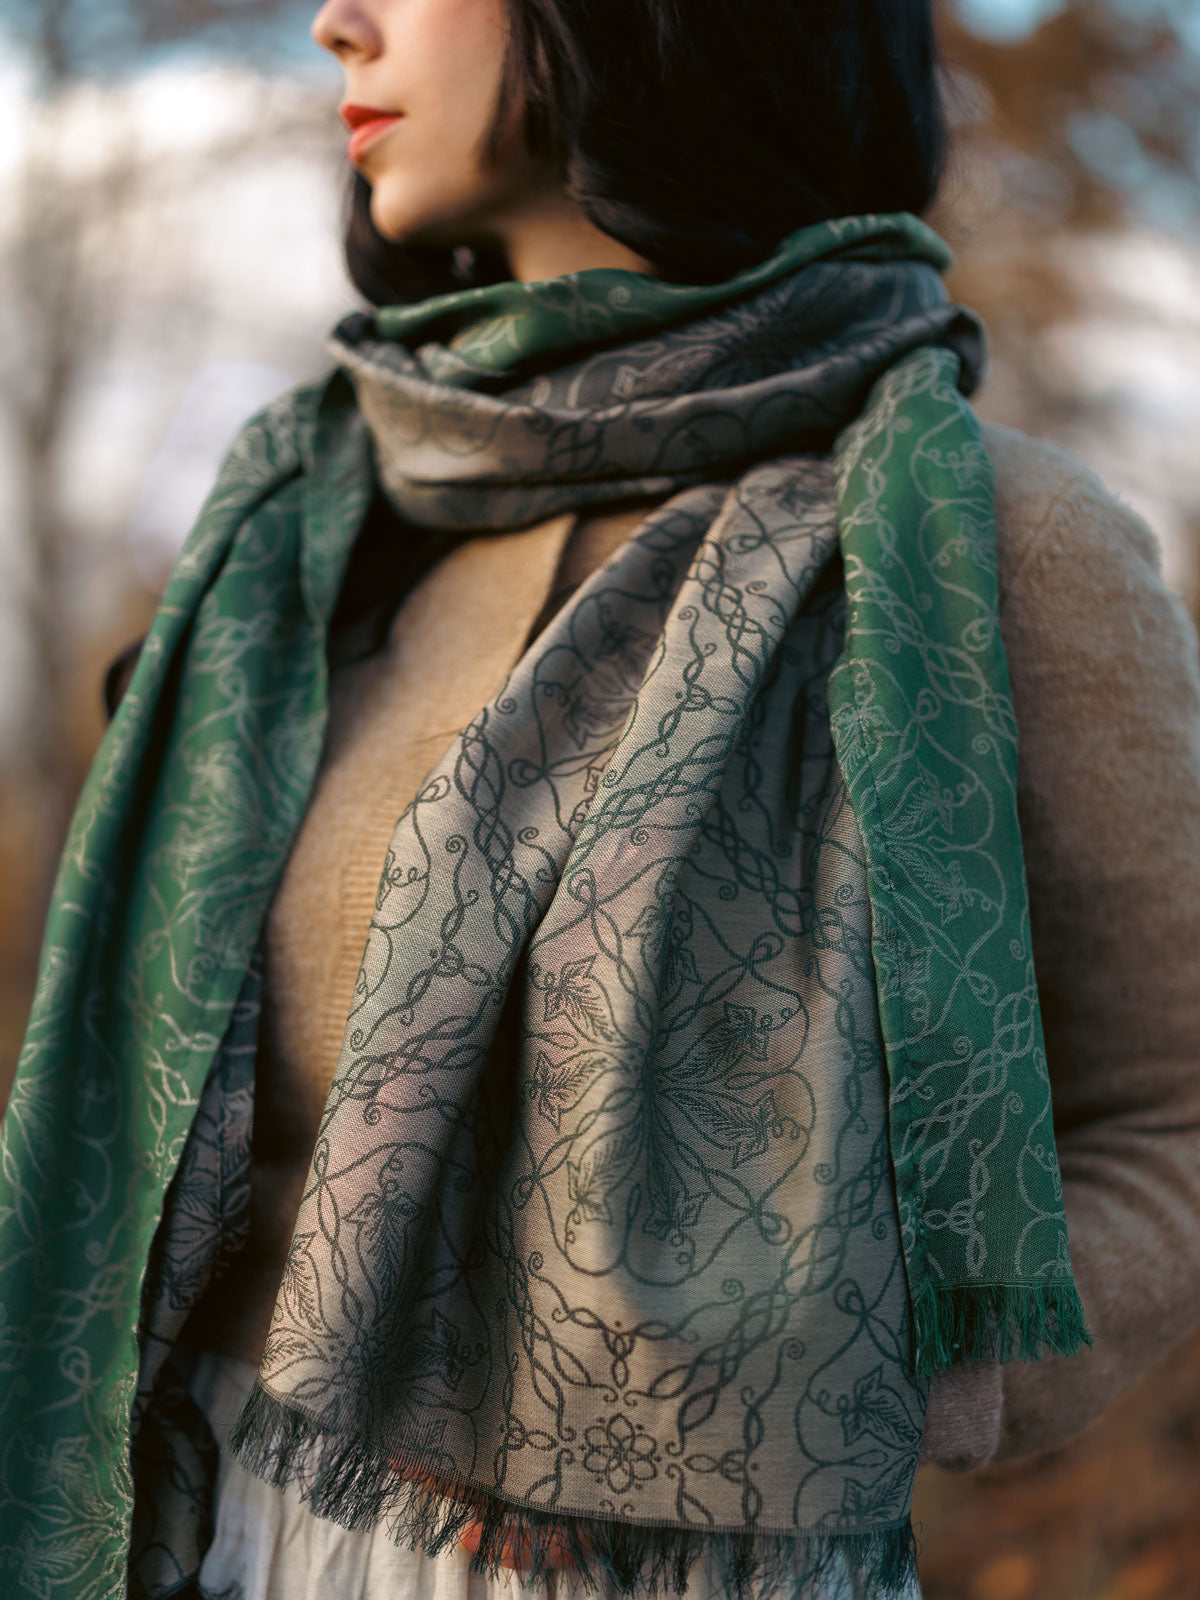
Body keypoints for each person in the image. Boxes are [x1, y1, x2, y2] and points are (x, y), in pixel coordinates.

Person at [3, 3, 1200, 1600]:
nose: (334, 22)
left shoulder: (984, 548)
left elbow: (1175, 1107)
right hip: (184, 1523)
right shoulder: (313, 539)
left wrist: (875, 1374)